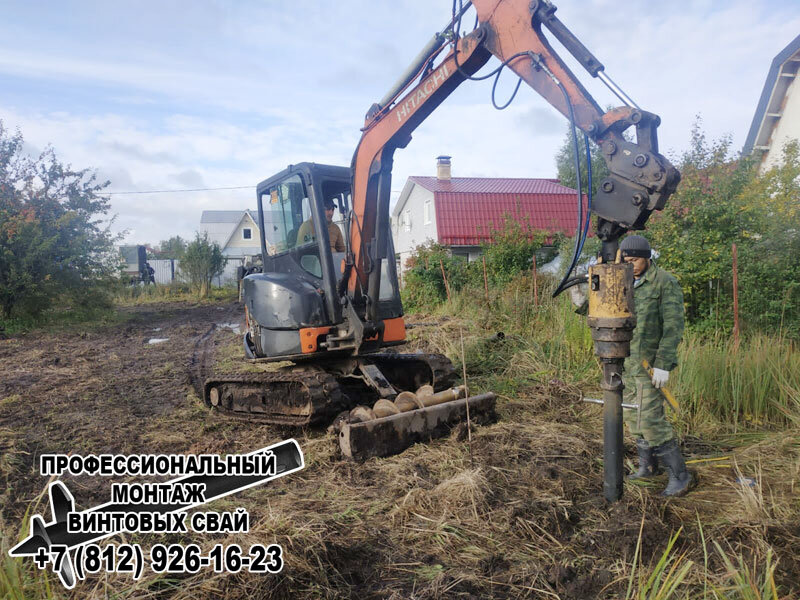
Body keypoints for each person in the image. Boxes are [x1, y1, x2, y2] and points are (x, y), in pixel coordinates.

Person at [619, 234, 693, 497]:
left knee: (650, 420)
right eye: (626, 260)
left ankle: (681, 476)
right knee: (633, 418)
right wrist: (583, 290)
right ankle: (648, 468)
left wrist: (663, 365)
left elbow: (673, 327)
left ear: (648, 258)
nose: (631, 265)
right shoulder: (622, 279)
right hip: (626, 364)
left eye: (636, 260)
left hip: (649, 366)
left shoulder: (664, 282)